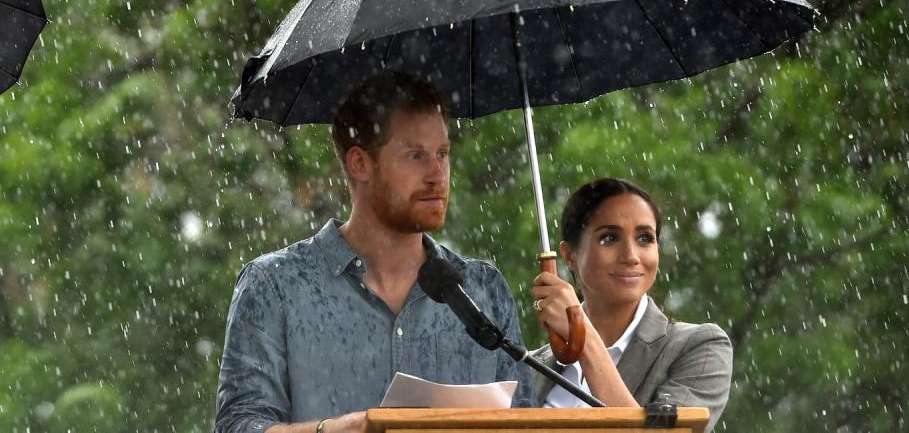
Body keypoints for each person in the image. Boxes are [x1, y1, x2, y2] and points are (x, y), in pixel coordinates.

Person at [215, 72, 535, 433]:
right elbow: (237, 425)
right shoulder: (274, 285)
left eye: (442, 154)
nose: (437, 175)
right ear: (360, 164)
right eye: (415, 155)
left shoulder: (484, 289)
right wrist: (336, 430)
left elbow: (526, 422)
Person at [531, 178, 732, 431]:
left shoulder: (701, 346)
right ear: (570, 255)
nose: (631, 256)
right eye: (609, 238)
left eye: (645, 238)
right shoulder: (528, 366)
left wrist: (583, 338)